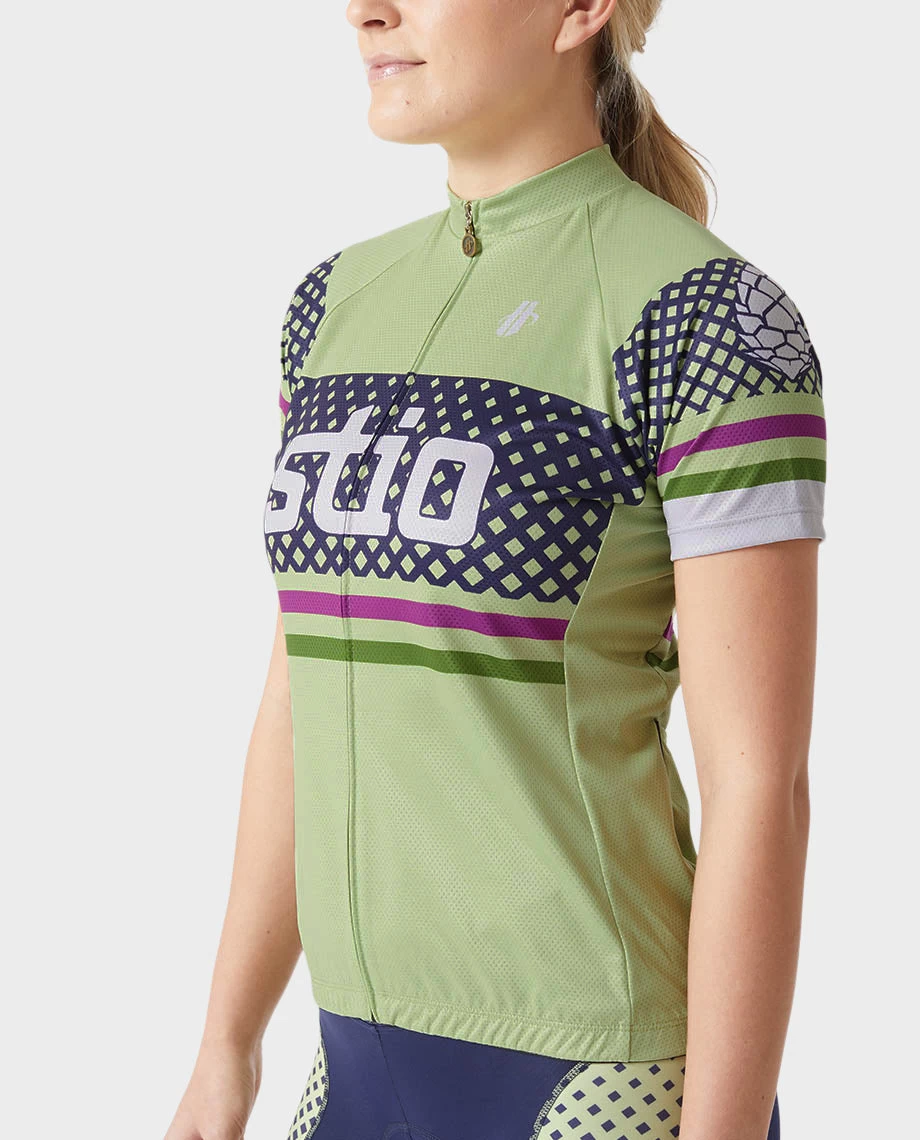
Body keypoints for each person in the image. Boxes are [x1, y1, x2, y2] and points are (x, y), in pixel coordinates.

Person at [164, 2, 826, 1139]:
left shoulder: (708, 319)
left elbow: (760, 785)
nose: (368, 11)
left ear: (581, 10)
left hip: (598, 1071)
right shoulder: (330, 306)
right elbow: (297, 700)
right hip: (354, 1059)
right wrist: (226, 1048)